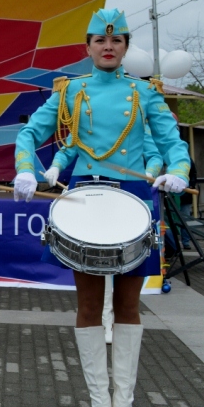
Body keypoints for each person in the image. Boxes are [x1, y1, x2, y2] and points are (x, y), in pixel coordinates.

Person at [14, 8, 189, 407]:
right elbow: (28, 135)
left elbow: (171, 141)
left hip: (132, 200)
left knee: (129, 306)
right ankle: (99, 404)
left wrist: (180, 169)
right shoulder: (70, 91)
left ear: (126, 47)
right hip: (86, 199)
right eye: (99, 40)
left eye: (117, 40)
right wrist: (25, 169)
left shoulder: (143, 92)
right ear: (88, 47)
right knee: (90, 305)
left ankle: (122, 406)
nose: (108, 46)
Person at [47, 130, 163, 344]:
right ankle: (103, 320)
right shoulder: (83, 119)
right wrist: (56, 166)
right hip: (89, 193)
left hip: (130, 196)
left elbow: (155, 155)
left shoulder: (137, 116)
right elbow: (66, 151)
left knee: (128, 303)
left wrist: (149, 172)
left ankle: (111, 327)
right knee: (91, 287)